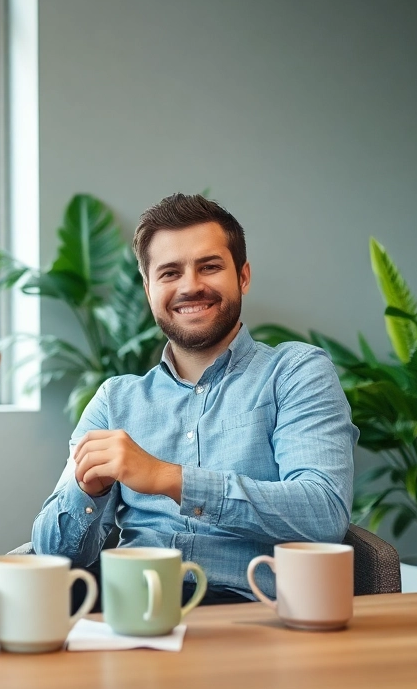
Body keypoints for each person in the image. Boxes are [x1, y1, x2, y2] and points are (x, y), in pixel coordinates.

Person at [31, 194, 356, 604]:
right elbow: (51, 555)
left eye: (209, 266)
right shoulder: (115, 400)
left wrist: (171, 479)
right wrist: (87, 492)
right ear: (149, 289)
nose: (190, 286)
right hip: (132, 606)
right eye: (169, 273)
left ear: (243, 276)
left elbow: (323, 513)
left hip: (249, 611)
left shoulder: (294, 372)